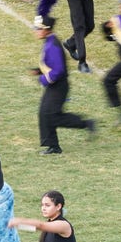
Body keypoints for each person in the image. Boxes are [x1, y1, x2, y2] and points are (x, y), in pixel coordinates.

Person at [31, 13, 95, 155]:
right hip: (55, 85)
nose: (35, 31)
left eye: (38, 28)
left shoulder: (52, 45)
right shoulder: (49, 41)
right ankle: (53, 145)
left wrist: (43, 79)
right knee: (45, 113)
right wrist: (39, 71)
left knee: (51, 115)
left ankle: (85, 124)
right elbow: (52, 65)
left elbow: (58, 70)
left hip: (58, 86)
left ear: (46, 29)